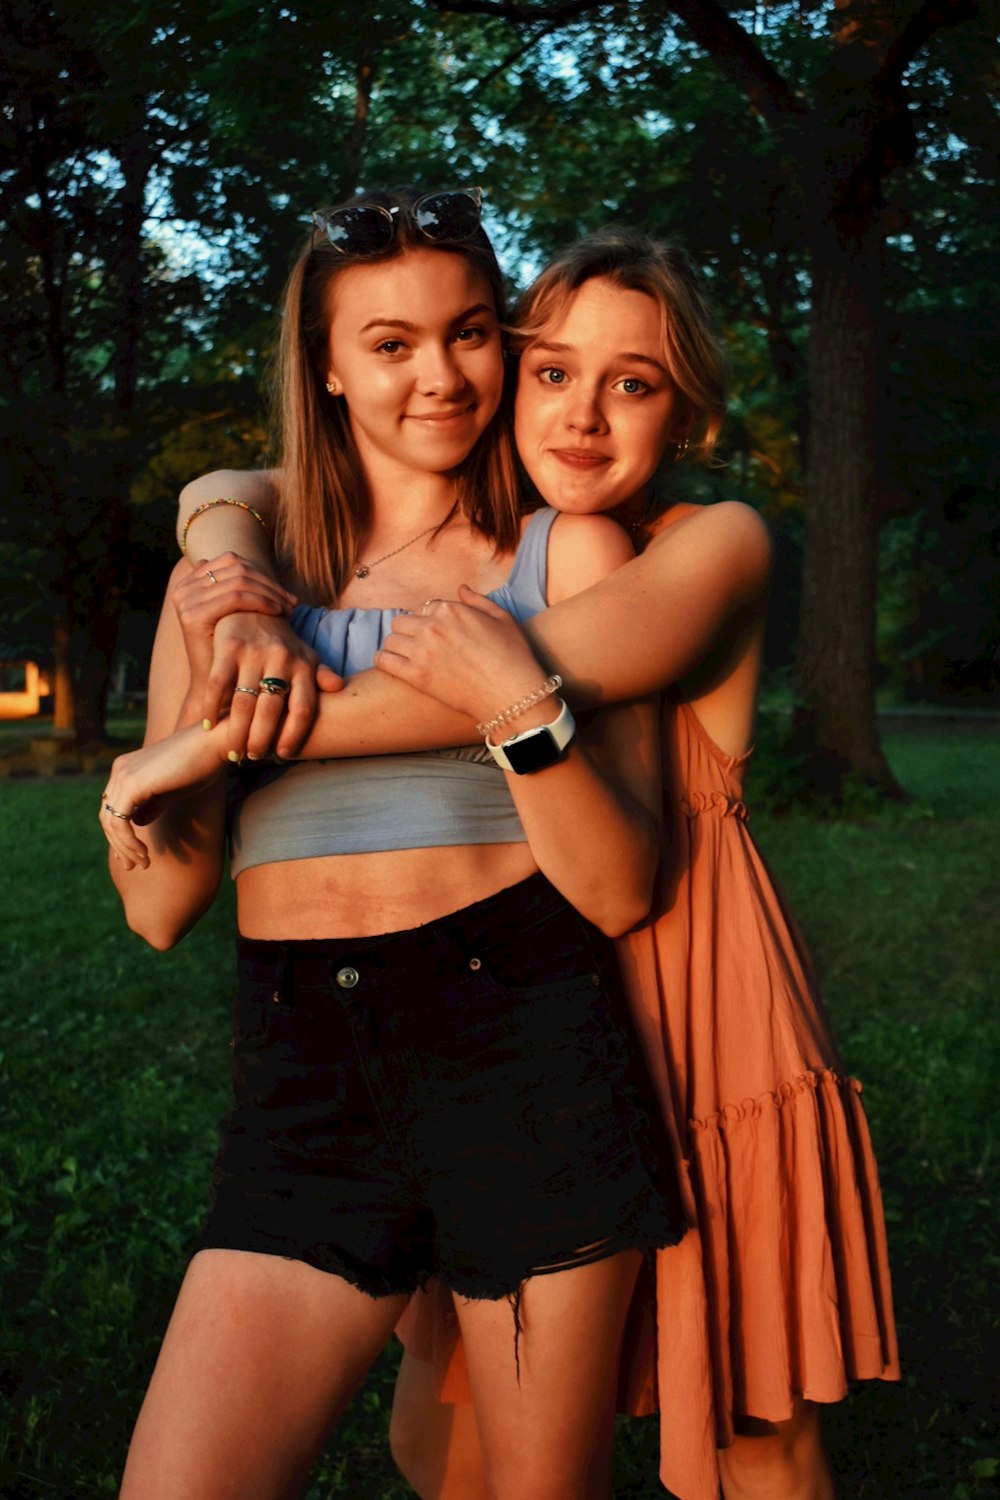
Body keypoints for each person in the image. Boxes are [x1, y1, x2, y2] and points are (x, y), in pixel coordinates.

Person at [125, 227, 900, 1500]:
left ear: (685, 406)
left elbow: (572, 803)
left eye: (633, 382)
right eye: (557, 371)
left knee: (744, 1429)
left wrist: (225, 733)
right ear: (322, 366)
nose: (579, 413)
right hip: (369, 1050)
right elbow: (161, 902)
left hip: (617, 1034)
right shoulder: (257, 570)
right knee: (433, 1448)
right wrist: (229, 574)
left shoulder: (670, 550)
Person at [101, 191, 686, 1500]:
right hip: (305, 1078)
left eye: (471, 333)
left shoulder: (566, 553)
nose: (440, 376)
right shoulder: (234, 592)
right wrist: (143, 805)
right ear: (323, 364)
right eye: (391, 343)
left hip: (522, 1055)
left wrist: (515, 709)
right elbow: (157, 909)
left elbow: (620, 884)